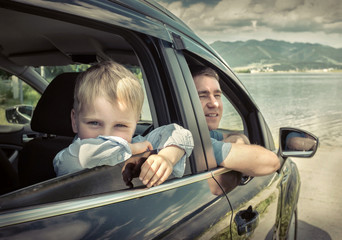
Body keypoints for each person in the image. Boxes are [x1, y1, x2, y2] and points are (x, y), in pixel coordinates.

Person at [53, 61, 193, 188]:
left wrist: (166, 157)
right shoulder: (67, 158)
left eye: (120, 125)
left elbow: (180, 133)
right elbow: (89, 153)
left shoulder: (138, 143)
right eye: (94, 123)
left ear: (135, 123)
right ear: (74, 121)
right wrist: (132, 148)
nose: (106, 134)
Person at [191, 66, 280, 177]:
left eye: (217, 95)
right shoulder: (197, 144)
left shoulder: (203, 134)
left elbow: (236, 136)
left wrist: (236, 140)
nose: (215, 104)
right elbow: (272, 163)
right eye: (202, 96)